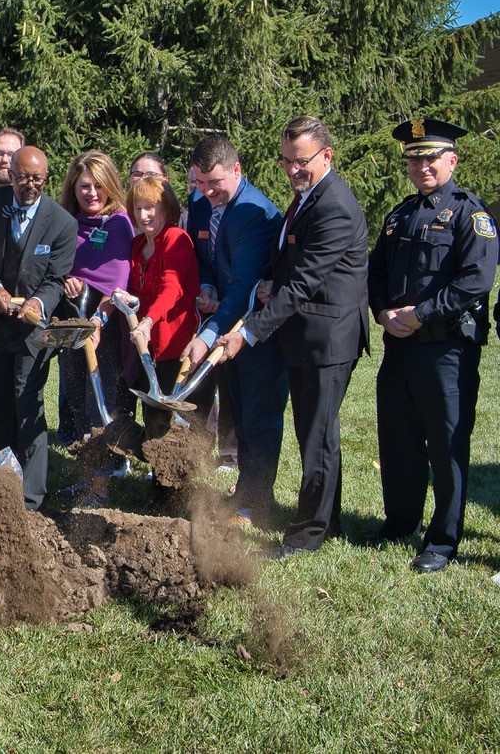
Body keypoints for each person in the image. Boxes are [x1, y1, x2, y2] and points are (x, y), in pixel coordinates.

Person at [216, 116, 369, 559]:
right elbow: (290, 266)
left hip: (327, 340)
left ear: (327, 156)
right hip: (305, 337)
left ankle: (307, 535)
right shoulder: (309, 196)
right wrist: (268, 283)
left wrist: (249, 330)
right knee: (315, 434)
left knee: (317, 436)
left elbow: (303, 285)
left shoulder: (334, 206)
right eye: (285, 160)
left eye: (300, 161)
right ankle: (327, 517)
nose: (291, 169)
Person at [367, 118, 498, 573]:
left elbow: (476, 281)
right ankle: (401, 521)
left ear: (451, 161)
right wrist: (383, 312)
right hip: (400, 347)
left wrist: (419, 314)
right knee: (398, 438)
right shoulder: (399, 215)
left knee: (446, 444)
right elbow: (376, 273)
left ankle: (442, 539)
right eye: (414, 159)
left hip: (446, 351)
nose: (422, 166)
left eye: (430, 158)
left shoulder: (469, 214)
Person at [183, 135, 288, 527]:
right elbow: (206, 254)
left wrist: (207, 336)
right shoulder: (200, 201)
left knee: (259, 418)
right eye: (200, 182)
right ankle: (245, 492)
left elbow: (244, 287)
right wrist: (207, 285)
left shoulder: (253, 214)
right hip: (226, 325)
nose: (208, 192)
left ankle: (255, 504)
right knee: (239, 416)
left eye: (216, 183)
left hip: (258, 331)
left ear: (237, 170)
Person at [0, 146, 76, 510]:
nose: (29, 185)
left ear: (46, 178)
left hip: (33, 333)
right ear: (11, 175)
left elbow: (55, 278)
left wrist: (37, 304)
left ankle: (32, 498)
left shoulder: (62, 222)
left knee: (27, 401)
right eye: (22, 178)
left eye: (36, 179)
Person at [55, 151, 135, 450]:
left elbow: (117, 282)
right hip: (71, 318)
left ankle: (103, 472)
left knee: (99, 397)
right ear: (73, 188)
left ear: (110, 186)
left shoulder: (118, 224)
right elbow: (54, 264)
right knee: (74, 393)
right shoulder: (65, 222)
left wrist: (98, 321)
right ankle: (85, 468)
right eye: (84, 186)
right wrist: (65, 278)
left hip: (105, 320)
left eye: (98, 185)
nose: (92, 193)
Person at [120, 172, 199, 433]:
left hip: (172, 340)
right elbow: (137, 289)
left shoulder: (176, 239)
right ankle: (155, 468)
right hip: (146, 341)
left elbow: (172, 288)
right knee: (151, 410)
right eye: (138, 208)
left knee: (169, 414)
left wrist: (148, 321)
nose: (143, 215)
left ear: (166, 207)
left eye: (150, 207)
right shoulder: (138, 243)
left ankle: (169, 471)